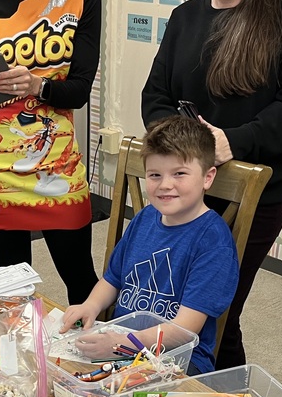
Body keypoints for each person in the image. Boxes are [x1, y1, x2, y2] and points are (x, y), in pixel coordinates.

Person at [141, 0, 282, 369]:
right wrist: (189, 145)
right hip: (185, 192)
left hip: (255, 197)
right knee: (169, 303)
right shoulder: (185, 16)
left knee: (216, 315)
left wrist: (233, 141)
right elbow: (156, 97)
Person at [59, 115, 239, 375]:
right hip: (122, 344)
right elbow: (112, 280)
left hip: (177, 360)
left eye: (179, 173)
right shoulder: (145, 217)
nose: (165, 185)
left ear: (207, 177)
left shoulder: (213, 242)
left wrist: (124, 345)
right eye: (155, 175)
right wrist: (91, 305)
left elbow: (183, 331)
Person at [0, 0, 100, 305]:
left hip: (58, 168)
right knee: (13, 289)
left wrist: (38, 86)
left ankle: (93, 350)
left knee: (81, 279)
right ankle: (21, 354)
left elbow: (79, 91)